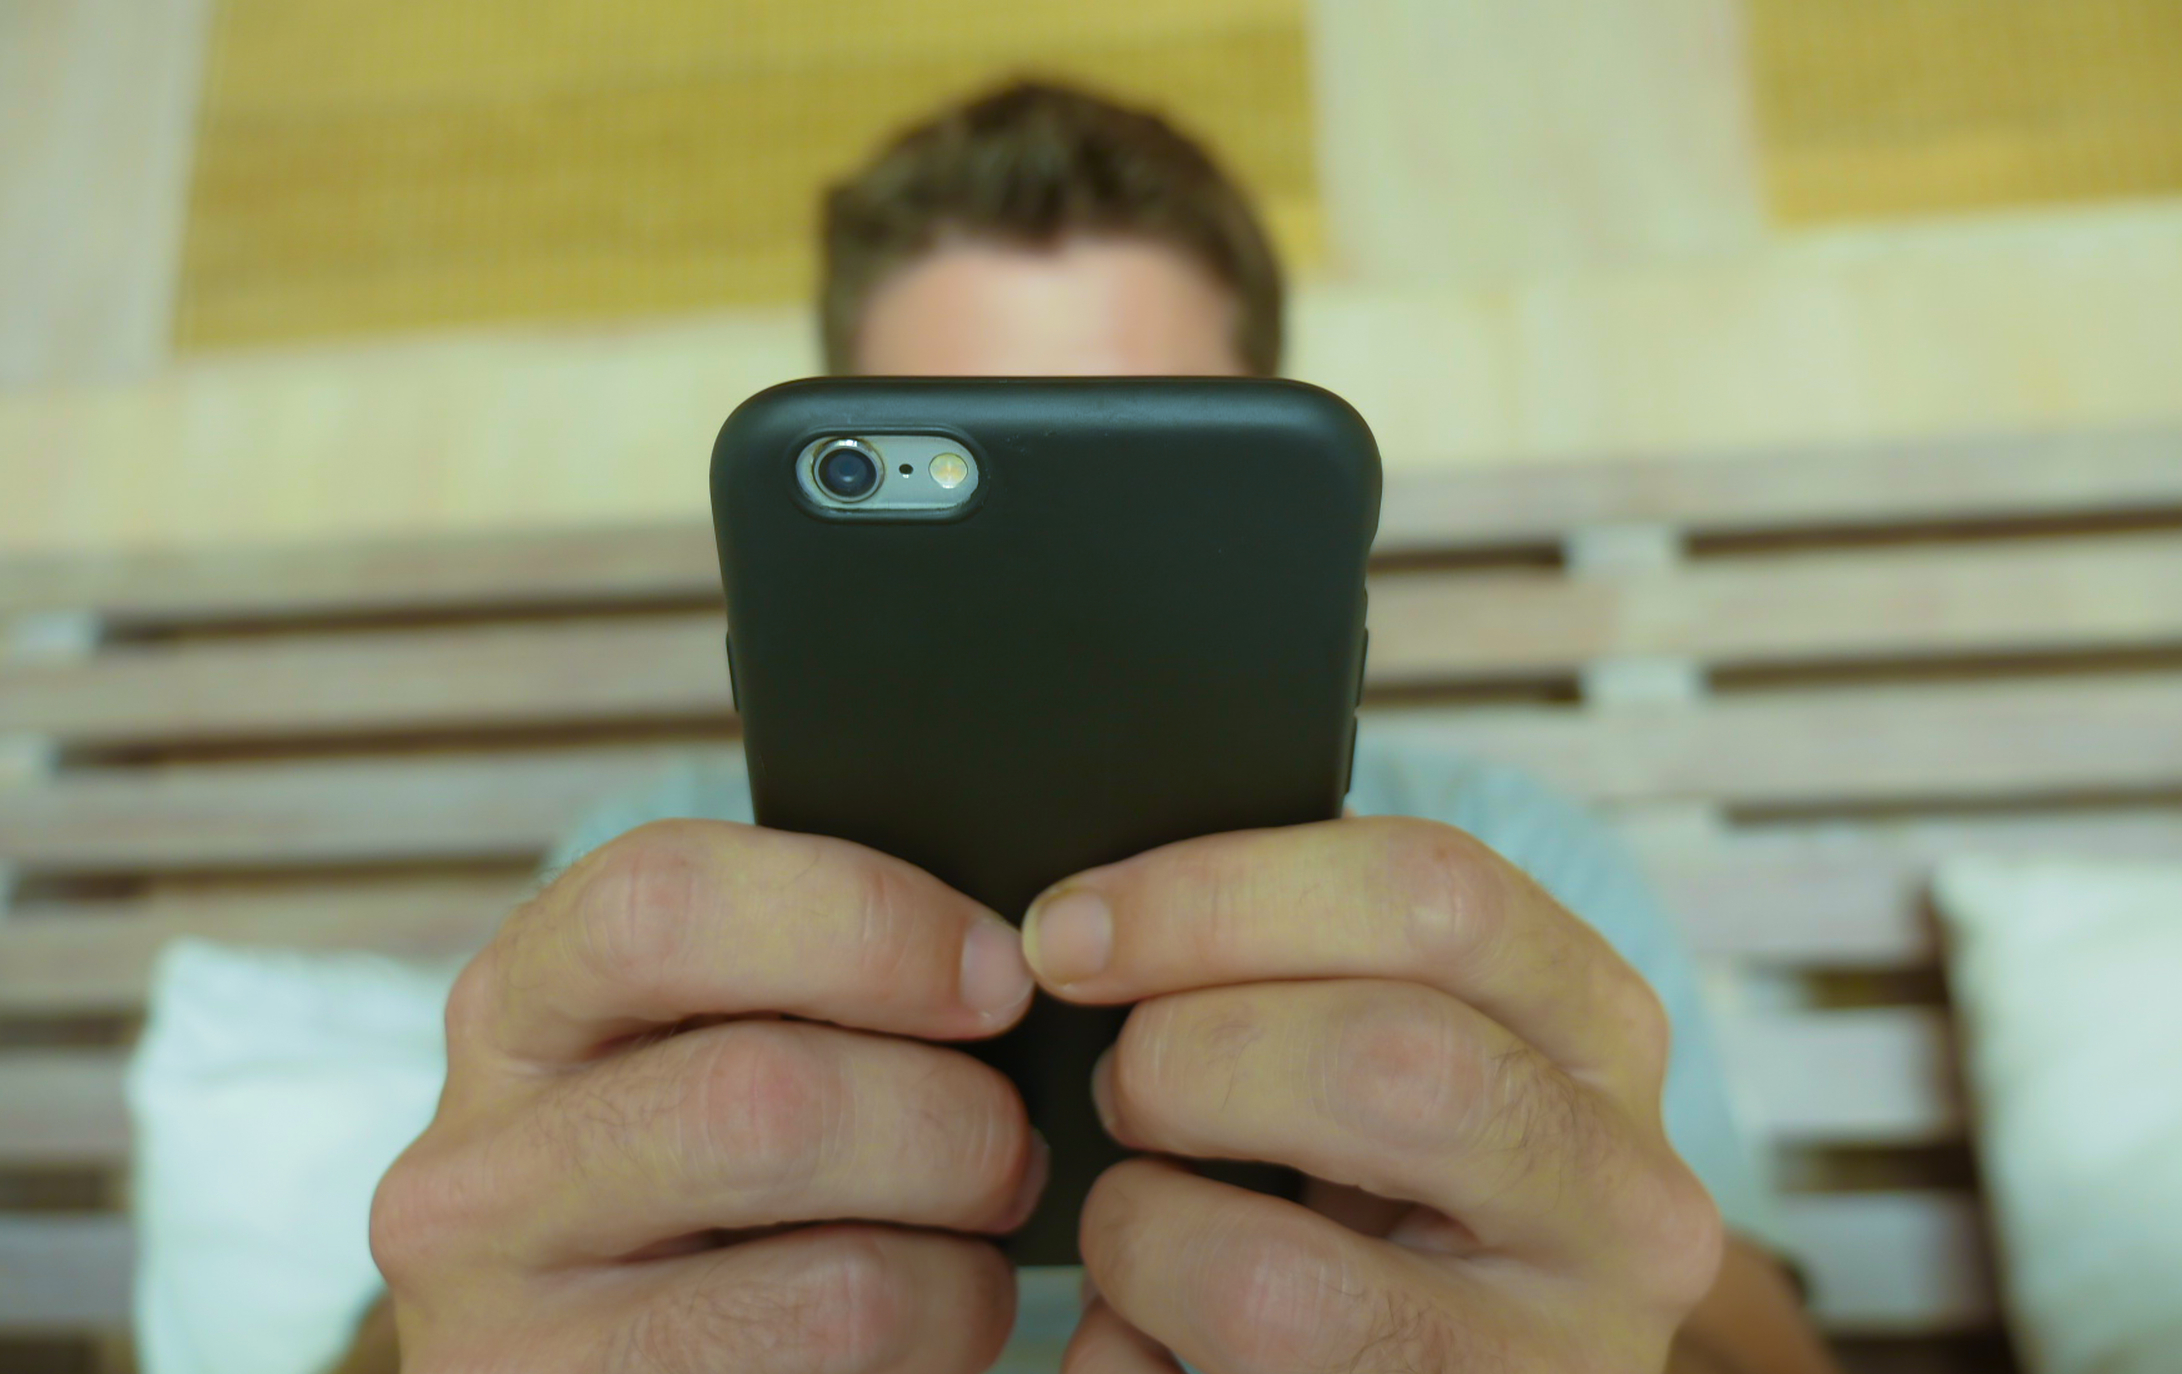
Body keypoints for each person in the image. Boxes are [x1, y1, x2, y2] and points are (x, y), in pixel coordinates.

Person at [352, 82, 1839, 1373]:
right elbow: (441, 1296)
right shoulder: (645, 874)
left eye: (1134, 459)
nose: (1054, 573)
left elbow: (1747, 1330)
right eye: (973, 455)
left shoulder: (1504, 862)